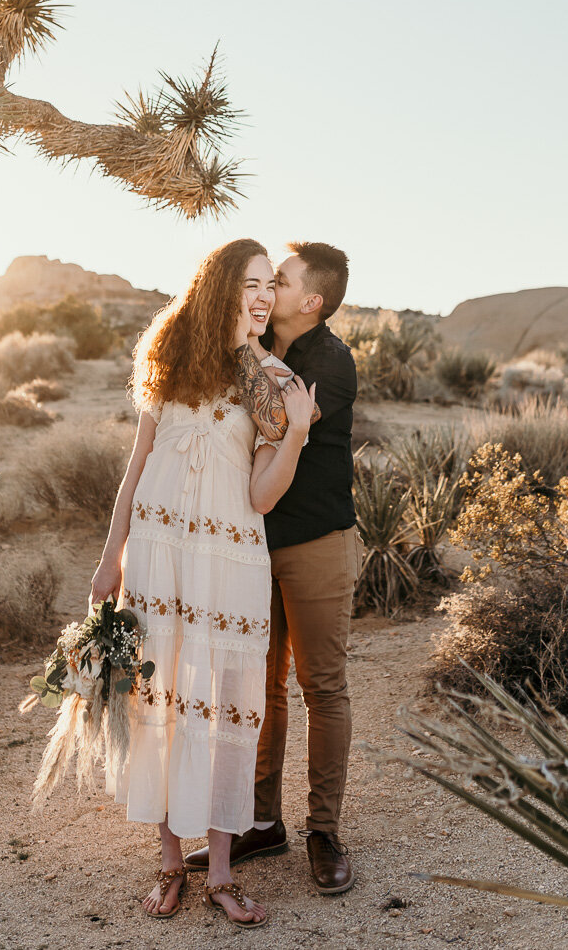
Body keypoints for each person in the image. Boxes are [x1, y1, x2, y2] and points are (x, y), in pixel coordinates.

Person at [89, 239, 316, 926]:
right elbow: (136, 468)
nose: (263, 296)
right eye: (249, 283)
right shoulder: (166, 359)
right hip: (158, 556)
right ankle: (168, 861)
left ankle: (219, 871)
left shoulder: (272, 379)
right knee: (157, 700)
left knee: (218, 709)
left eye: (269, 286)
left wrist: (298, 433)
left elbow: (263, 496)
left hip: (227, 560)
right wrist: (110, 558)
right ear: (219, 288)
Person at [185, 241, 360, 894]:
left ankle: (323, 829)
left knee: (322, 686)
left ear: (310, 302)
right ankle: (262, 821)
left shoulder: (330, 362)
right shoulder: (262, 348)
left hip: (316, 543)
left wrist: (248, 347)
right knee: (259, 689)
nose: (266, 290)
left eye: (279, 282)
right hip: (253, 545)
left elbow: (289, 420)